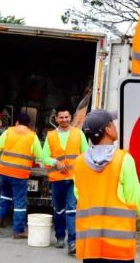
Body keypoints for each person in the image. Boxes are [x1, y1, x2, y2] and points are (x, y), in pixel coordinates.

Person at [73, 109, 140, 262]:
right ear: (108, 130)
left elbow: (79, 196)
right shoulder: (123, 160)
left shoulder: (79, 163)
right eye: (112, 124)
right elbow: (135, 202)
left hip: (90, 246)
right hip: (118, 248)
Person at [40, 106, 88, 255]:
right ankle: (60, 237)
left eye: (67, 117)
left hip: (73, 178)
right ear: (56, 119)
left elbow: (86, 154)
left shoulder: (79, 134)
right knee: (59, 210)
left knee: (71, 209)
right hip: (57, 179)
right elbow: (43, 157)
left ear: (71, 117)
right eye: (61, 117)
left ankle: (72, 242)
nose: (64, 120)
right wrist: (55, 162)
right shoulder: (51, 136)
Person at [0, 113, 43, 239]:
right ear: (29, 125)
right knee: (20, 202)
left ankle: (0, 216)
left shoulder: (8, 132)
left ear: (16, 122)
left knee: (5, 194)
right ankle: (18, 230)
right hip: (20, 174)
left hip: (4, 171)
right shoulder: (32, 136)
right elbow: (40, 155)